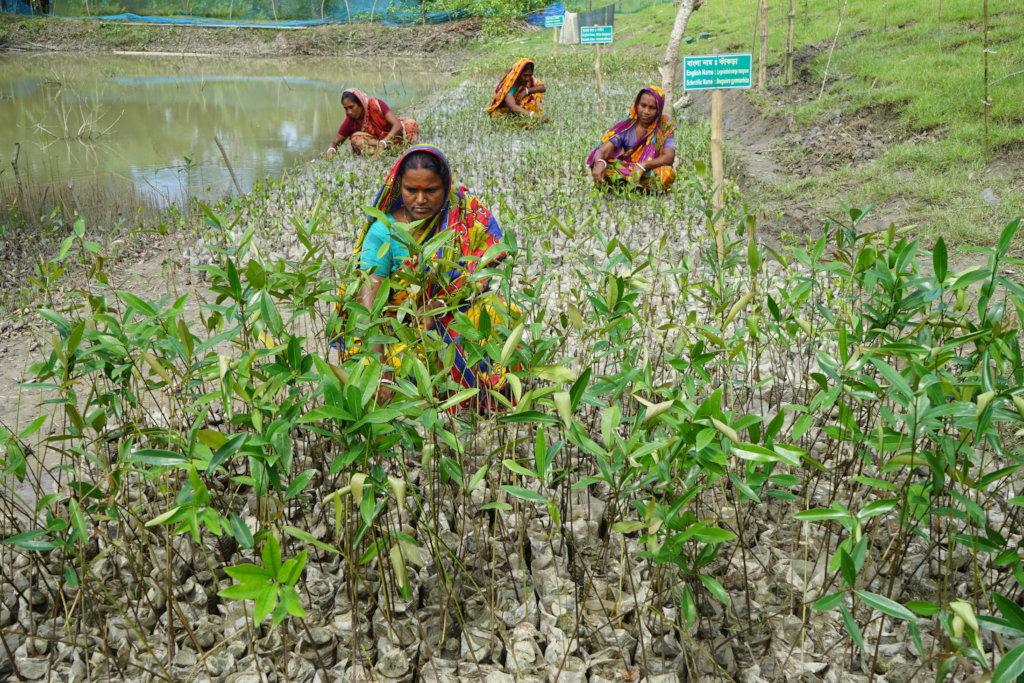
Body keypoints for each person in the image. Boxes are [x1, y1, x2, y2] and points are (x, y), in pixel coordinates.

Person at [339, 145, 517, 407]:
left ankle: (476, 393)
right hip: (399, 327)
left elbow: (479, 275)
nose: (420, 200)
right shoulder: (384, 231)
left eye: (430, 190)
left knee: (496, 312)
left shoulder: (463, 215)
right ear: (400, 187)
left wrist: (439, 305)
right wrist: (380, 365)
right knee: (394, 366)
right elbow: (369, 302)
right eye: (412, 190)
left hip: (452, 311)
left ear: (446, 187)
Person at [587, 85, 676, 192]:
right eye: (643, 105)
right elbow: (603, 150)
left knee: (667, 174)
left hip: (648, 170)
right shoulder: (627, 125)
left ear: (659, 109)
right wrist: (600, 163)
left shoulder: (665, 125)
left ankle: (631, 187)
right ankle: (630, 185)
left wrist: (643, 165)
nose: (646, 111)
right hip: (627, 170)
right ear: (636, 105)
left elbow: (669, 157)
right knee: (599, 166)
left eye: (652, 108)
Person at [325, 88, 419, 158]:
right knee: (356, 139)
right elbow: (335, 143)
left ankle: (409, 152)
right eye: (346, 109)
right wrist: (331, 150)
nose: (349, 112)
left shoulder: (376, 105)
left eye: (351, 107)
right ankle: (382, 156)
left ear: (361, 104)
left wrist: (384, 142)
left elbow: (397, 125)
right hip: (377, 148)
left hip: (393, 140)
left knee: (411, 123)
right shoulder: (350, 121)